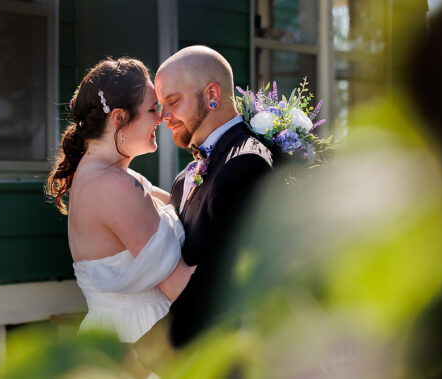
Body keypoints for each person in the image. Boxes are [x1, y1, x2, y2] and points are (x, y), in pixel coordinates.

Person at [45, 57, 194, 344]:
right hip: (142, 338)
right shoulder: (115, 187)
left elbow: (185, 205)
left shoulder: (102, 176)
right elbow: (182, 288)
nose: (162, 118)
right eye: (152, 109)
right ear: (119, 119)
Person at [154, 45, 273, 347]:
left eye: (173, 101)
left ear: (212, 95)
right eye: (160, 104)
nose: (163, 116)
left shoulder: (246, 164)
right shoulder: (183, 180)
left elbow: (227, 289)